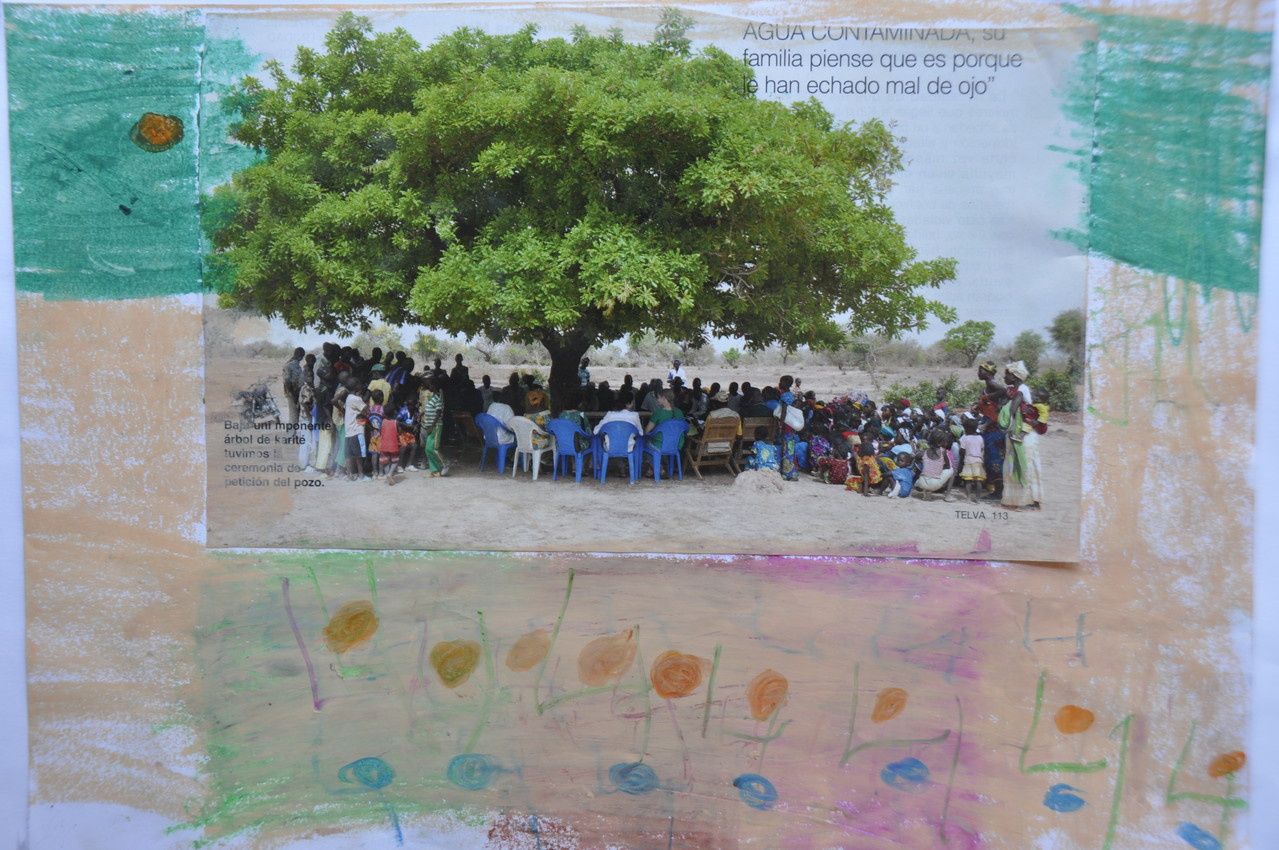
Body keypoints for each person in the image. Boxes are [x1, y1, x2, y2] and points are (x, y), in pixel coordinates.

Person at [999, 361, 1043, 510]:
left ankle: (1029, 501)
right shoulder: (1015, 390)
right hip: (1017, 432)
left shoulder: (1021, 391)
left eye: (1007, 375)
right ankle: (1018, 501)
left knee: (1024, 465)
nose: (1004, 377)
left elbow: (1011, 410)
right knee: (1017, 464)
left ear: (1014, 376)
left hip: (1024, 435)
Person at [915, 428, 956, 501]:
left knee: (928, 470)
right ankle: (948, 496)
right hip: (934, 484)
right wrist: (939, 467)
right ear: (941, 442)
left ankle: (926, 495)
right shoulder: (943, 452)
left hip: (921, 482)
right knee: (952, 470)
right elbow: (948, 466)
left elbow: (916, 456)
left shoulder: (925, 451)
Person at [958, 418, 986, 503]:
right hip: (978, 461)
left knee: (968, 481)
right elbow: (982, 449)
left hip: (968, 461)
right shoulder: (980, 438)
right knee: (978, 481)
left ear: (968, 429)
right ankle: (978, 498)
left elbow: (962, 451)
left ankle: (968, 498)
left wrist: (961, 462)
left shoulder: (966, 438)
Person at [282, 347, 305, 425]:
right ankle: (291, 436)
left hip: (296, 393)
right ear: (298, 355)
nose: (302, 358)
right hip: (292, 394)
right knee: (293, 417)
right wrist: (293, 396)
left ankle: (293, 436)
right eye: (302, 356)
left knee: (296, 417)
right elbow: (287, 382)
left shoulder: (295, 364)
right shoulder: (289, 365)